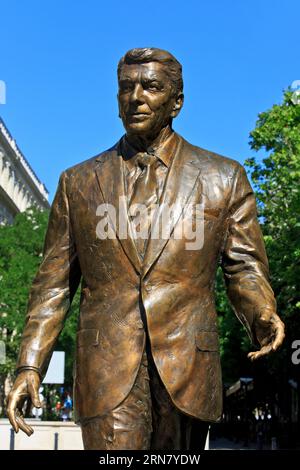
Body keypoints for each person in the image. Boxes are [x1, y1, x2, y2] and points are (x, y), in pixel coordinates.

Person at [7, 47, 285, 450]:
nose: (136, 96)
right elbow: (52, 286)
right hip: (107, 370)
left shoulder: (223, 178)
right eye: (126, 87)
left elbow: (243, 267)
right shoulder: (79, 183)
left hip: (187, 366)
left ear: (177, 102)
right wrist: (30, 364)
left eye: (151, 87)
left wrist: (261, 311)